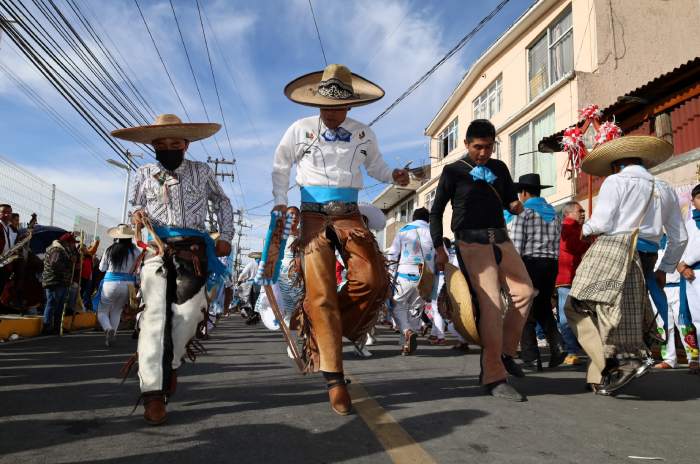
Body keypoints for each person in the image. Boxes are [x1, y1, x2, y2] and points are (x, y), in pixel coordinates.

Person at [271, 63, 409, 415]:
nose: (331, 114)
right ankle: (335, 378)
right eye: (325, 107)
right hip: (312, 214)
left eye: (338, 108)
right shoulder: (299, 129)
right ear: (317, 104)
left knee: (374, 279)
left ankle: (316, 328)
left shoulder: (364, 134)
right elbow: (281, 166)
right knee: (321, 293)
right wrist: (280, 202)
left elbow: (376, 167)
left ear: (351, 106)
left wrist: (393, 174)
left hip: (349, 212)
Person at [111, 113, 234, 425]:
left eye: (174, 142)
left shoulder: (202, 171)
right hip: (155, 250)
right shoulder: (143, 172)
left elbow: (223, 203)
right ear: (154, 145)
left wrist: (226, 237)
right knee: (154, 318)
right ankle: (152, 392)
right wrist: (137, 214)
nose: (168, 147)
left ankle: (173, 362)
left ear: (186, 144)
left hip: (193, 251)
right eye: (161, 143)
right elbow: (133, 204)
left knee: (189, 315)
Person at [564, 135, 687, 395]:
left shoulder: (616, 181)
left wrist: (581, 229)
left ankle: (617, 363)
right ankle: (599, 377)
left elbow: (604, 223)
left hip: (616, 250)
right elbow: (679, 236)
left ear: (615, 165)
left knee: (577, 305)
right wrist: (665, 267)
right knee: (624, 315)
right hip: (648, 255)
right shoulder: (663, 188)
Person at [430, 119, 535, 402]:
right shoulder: (452, 171)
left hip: (501, 238)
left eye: (488, 147)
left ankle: (505, 352)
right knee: (492, 305)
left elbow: (509, 202)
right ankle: (493, 375)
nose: (483, 153)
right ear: (466, 144)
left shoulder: (500, 168)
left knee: (525, 292)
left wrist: (516, 206)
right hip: (470, 241)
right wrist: (439, 247)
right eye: (478, 147)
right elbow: (436, 211)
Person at [510, 174, 565, 370]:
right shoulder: (555, 214)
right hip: (551, 265)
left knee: (524, 309)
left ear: (524, 192)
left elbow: (516, 246)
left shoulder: (524, 213)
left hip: (529, 264)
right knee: (542, 307)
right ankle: (558, 345)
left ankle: (531, 356)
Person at [388, 207, 434, 355]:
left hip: (405, 273)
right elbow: (441, 255)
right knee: (416, 309)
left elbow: (393, 254)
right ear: (428, 219)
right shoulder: (434, 231)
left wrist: (390, 275)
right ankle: (406, 345)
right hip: (426, 275)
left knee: (397, 306)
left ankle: (407, 332)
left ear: (413, 218)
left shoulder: (403, 230)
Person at [554, 201, 590, 365]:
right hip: (568, 277)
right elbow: (574, 246)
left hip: (573, 277)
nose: (583, 214)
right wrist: (589, 242)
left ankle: (573, 348)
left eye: (583, 211)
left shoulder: (576, 227)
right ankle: (571, 350)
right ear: (568, 213)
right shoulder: (568, 227)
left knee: (573, 314)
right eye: (579, 211)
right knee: (567, 315)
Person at [97, 225, 139, 347]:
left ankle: (108, 329)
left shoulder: (110, 249)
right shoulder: (135, 251)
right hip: (128, 286)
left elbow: (101, 268)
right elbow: (138, 271)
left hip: (110, 284)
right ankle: (111, 336)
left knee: (102, 311)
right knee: (117, 311)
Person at [674, 183, 700, 374]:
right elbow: (682, 245)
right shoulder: (690, 222)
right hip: (690, 275)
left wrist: (685, 263)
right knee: (696, 319)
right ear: (692, 201)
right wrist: (681, 266)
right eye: (698, 198)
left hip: (693, 269)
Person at [41, 232, 78, 334]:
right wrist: (67, 266)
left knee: (60, 305)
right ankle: (47, 326)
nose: (73, 245)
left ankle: (57, 327)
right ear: (66, 242)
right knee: (52, 303)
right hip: (54, 281)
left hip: (61, 282)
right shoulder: (57, 250)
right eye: (72, 243)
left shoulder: (65, 251)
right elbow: (55, 264)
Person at [79, 238, 100, 311]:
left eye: (85, 248)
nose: (85, 250)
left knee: (86, 295)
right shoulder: (80, 256)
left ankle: (84, 307)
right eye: (83, 248)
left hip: (88, 278)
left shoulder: (89, 255)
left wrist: (97, 242)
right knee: (80, 294)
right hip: (80, 278)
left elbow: (93, 249)